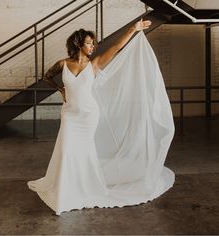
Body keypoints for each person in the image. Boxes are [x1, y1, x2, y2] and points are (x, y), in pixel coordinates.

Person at [27, 19, 175, 215]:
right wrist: (60, 89)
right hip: (70, 115)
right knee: (66, 150)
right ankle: (65, 190)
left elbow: (115, 47)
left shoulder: (94, 64)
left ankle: (85, 187)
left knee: (84, 151)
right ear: (79, 44)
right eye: (89, 42)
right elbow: (46, 76)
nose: (92, 46)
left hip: (89, 116)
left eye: (93, 43)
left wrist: (133, 28)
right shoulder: (63, 64)